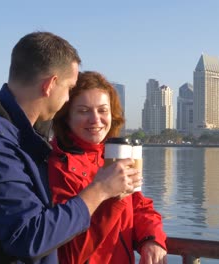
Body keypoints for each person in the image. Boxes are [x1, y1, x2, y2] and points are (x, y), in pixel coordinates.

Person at [0, 32, 141, 263]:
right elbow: (28, 236)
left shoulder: (21, 139)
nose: (67, 99)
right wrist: (101, 190)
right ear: (50, 84)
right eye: (69, 88)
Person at [48, 71, 167, 264]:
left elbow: (139, 206)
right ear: (66, 117)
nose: (95, 120)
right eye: (83, 111)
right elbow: (69, 253)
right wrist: (111, 197)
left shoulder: (114, 158)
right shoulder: (58, 166)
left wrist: (151, 239)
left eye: (103, 110)